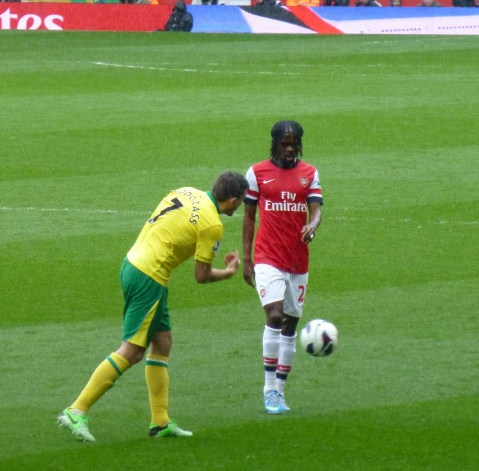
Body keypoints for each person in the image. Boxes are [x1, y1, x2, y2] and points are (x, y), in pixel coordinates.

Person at [59, 172, 249, 442]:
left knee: (163, 341)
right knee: (133, 351)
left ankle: (160, 423)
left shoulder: (186, 191)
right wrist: (229, 271)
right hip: (150, 276)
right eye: (241, 201)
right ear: (232, 200)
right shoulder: (212, 225)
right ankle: (77, 410)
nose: (240, 205)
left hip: (133, 263)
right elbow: (201, 275)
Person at [242, 121, 323, 414]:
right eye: (284, 143)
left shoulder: (309, 174)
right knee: (274, 316)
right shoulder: (257, 173)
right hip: (268, 258)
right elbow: (249, 218)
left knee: (290, 324)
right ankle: (268, 391)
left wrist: (312, 226)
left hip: (297, 261)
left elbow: (316, 210)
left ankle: (280, 391)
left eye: (294, 144)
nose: (290, 149)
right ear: (275, 143)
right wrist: (248, 260)